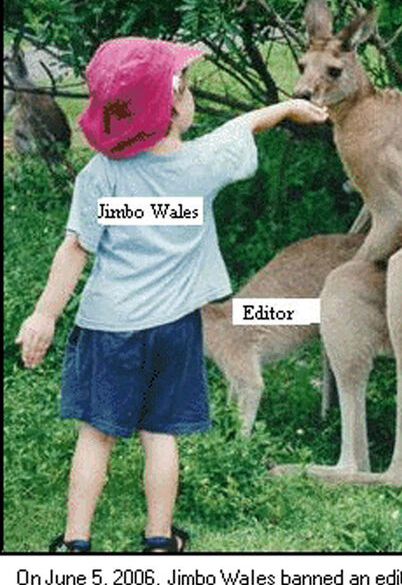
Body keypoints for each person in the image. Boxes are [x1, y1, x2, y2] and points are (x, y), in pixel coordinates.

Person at [15, 37, 328, 553]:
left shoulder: (100, 174)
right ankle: (160, 540)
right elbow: (243, 127)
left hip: (109, 328)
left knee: (96, 436)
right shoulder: (201, 164)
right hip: (175, 329)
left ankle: (75, 544)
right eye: (188, 91)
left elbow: (75, 249)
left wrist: (44, 315)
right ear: (175, 107)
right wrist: (288, 108)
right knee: (161, 434)